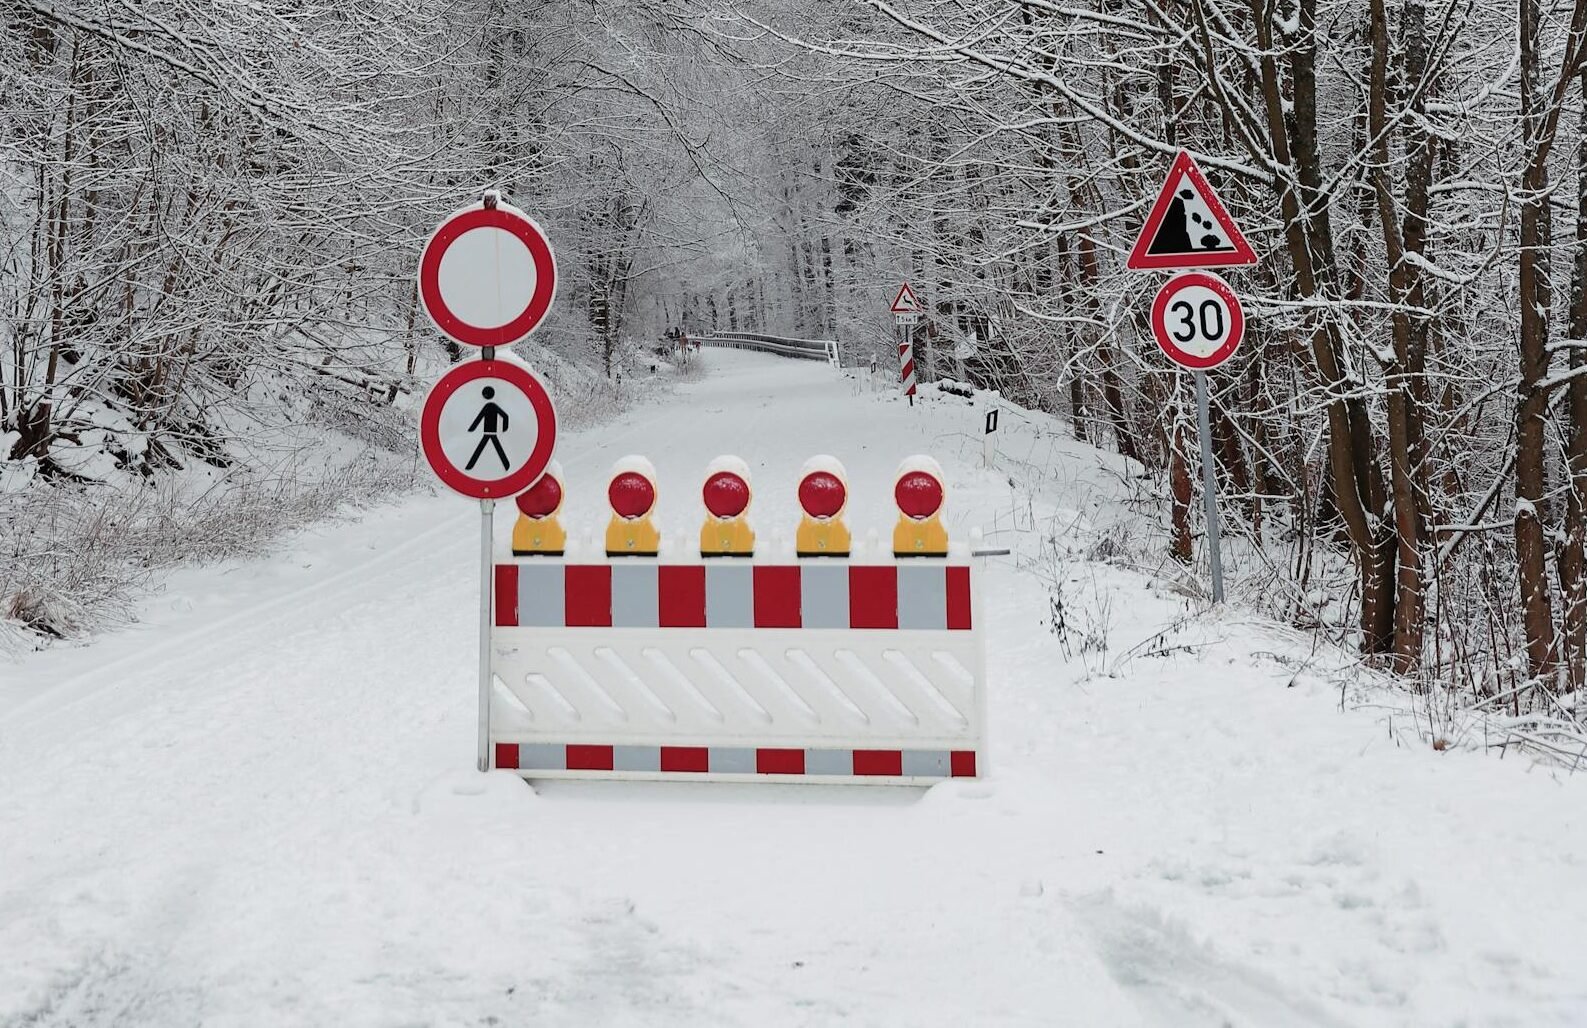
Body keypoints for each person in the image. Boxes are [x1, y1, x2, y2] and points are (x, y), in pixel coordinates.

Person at [465, 386, 511, 471]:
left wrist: (472, 428)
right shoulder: (493, 406)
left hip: (489, 432)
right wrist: (504, 428)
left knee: (481, 448)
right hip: (491, 432)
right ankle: (506, 465)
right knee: (493, 448)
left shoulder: (489, 406)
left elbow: (479, 417)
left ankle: (470, 465)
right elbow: (505, 416)